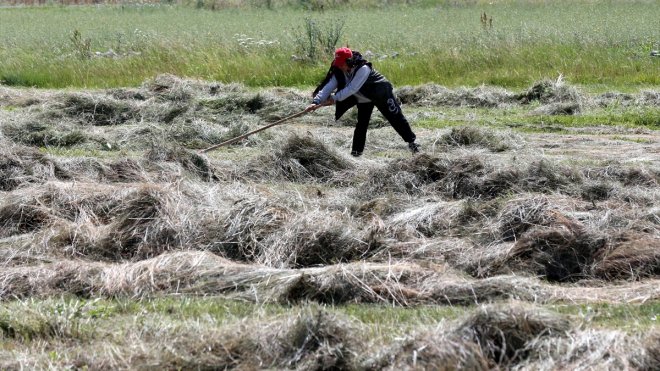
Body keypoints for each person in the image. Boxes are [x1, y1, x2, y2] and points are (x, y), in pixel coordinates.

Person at [305, 47, 420, 157]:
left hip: (380, 92)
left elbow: (352, 88)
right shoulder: (339, 70)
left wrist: (335, 98)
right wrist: (316, 102)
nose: (339, 66)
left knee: (395, 116)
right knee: (361, 124)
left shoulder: (363, 68)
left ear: (349, 61)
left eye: (341, 63)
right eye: (338, 63)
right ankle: (356, 153)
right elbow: (328, 87)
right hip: (363, 97)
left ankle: (412, 142)